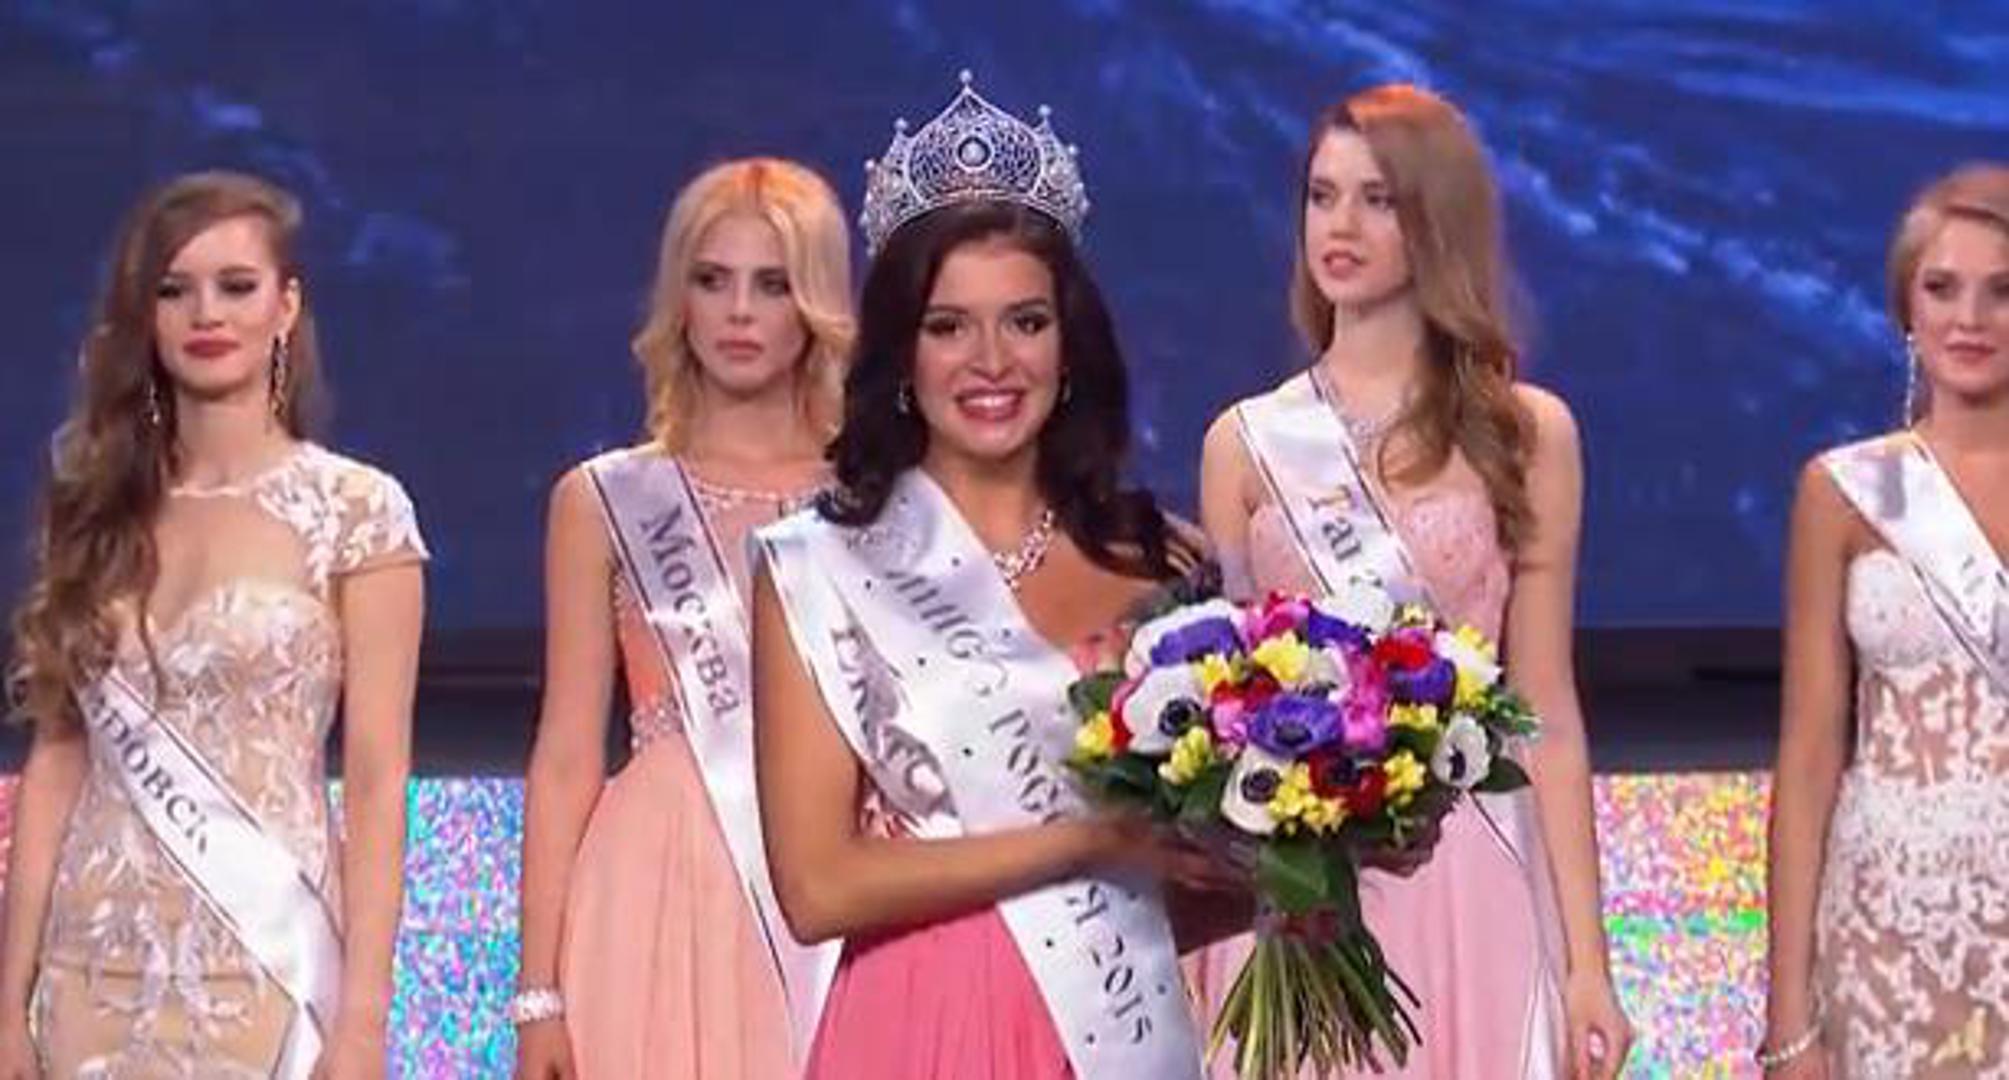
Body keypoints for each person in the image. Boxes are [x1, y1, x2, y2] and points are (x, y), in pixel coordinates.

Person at [751, 74, 1236, 1079]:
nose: (989, 361)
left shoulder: (1164, 563)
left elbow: (1176, 889)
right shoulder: (822, 565)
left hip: (1108, 1027)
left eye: (1024, 322)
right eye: (947, 326)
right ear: (902, 355)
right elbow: (816, 888)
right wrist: (1086, 843)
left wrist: (1316, 864)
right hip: (914, 1021)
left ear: (1069, 345)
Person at [1188, 84, 1631, 1078]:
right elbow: (1223, 709)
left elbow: (1546, 710)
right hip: (1298, 881)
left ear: (1434, 219)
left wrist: (1587, 965)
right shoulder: (1243, 444)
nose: (1338, 225)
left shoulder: (1527, 434)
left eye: (1376, 199)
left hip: (1468, 863)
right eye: (1321, 195)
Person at [0, 171, 425, 1078]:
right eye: (174, 290)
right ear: (145, 318)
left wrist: (363, 1022)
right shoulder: (94, 508)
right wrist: (6, 1005)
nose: (207, 314)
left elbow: (379, 781)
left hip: (265, 969)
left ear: (286, 307)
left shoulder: (358, 511)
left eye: (236, 286)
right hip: (90, 974)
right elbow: (56, 763)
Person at [512, 158, 854, 1079]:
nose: (739, 312)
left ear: (815, 304)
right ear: (679, 299)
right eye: (712, 280)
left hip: (833, 878)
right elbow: (566, 755)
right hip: (653, 887)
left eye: (772, 284)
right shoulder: (602, 500)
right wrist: (537, 996)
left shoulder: (879, 502)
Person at [1762, 163, 2009, 1077]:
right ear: (1906, 305)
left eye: (2001, 291)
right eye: (1942, 288)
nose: (1969, 318)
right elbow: (1808, 754)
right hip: (1882, 930)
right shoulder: (1847, 492)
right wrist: (1789, 1015)